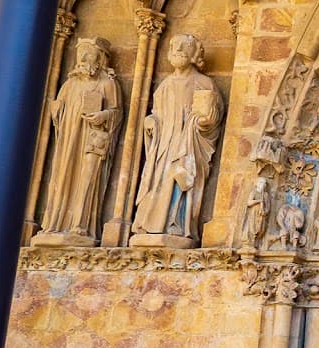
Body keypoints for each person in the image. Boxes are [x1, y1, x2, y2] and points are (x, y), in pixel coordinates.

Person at [130, 34, 224, 245]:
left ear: (195, 53)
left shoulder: (203, 83)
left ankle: (176, 225)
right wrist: (151, 122)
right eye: (174, 45)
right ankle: (151, 225)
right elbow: (156, 113)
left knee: (180, 178)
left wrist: (203, 122)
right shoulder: (164, 85)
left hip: (188, 145)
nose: (179, 48)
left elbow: (213, 116)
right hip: (164, 147)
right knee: (159, 180)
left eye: (186, 45)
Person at [39, 37, 122, 243]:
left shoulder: (108, 84)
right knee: (62, 176)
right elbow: (58, 113)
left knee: (87, 178)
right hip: (68, 140)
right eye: (81, 53)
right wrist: (56, 109)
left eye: (89, 53)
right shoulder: (69, 84)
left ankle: (80, 225)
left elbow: (116, 113)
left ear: (100, 58)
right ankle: (55, 223)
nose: (84, 58)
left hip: (92, 138)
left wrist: (102, 116)